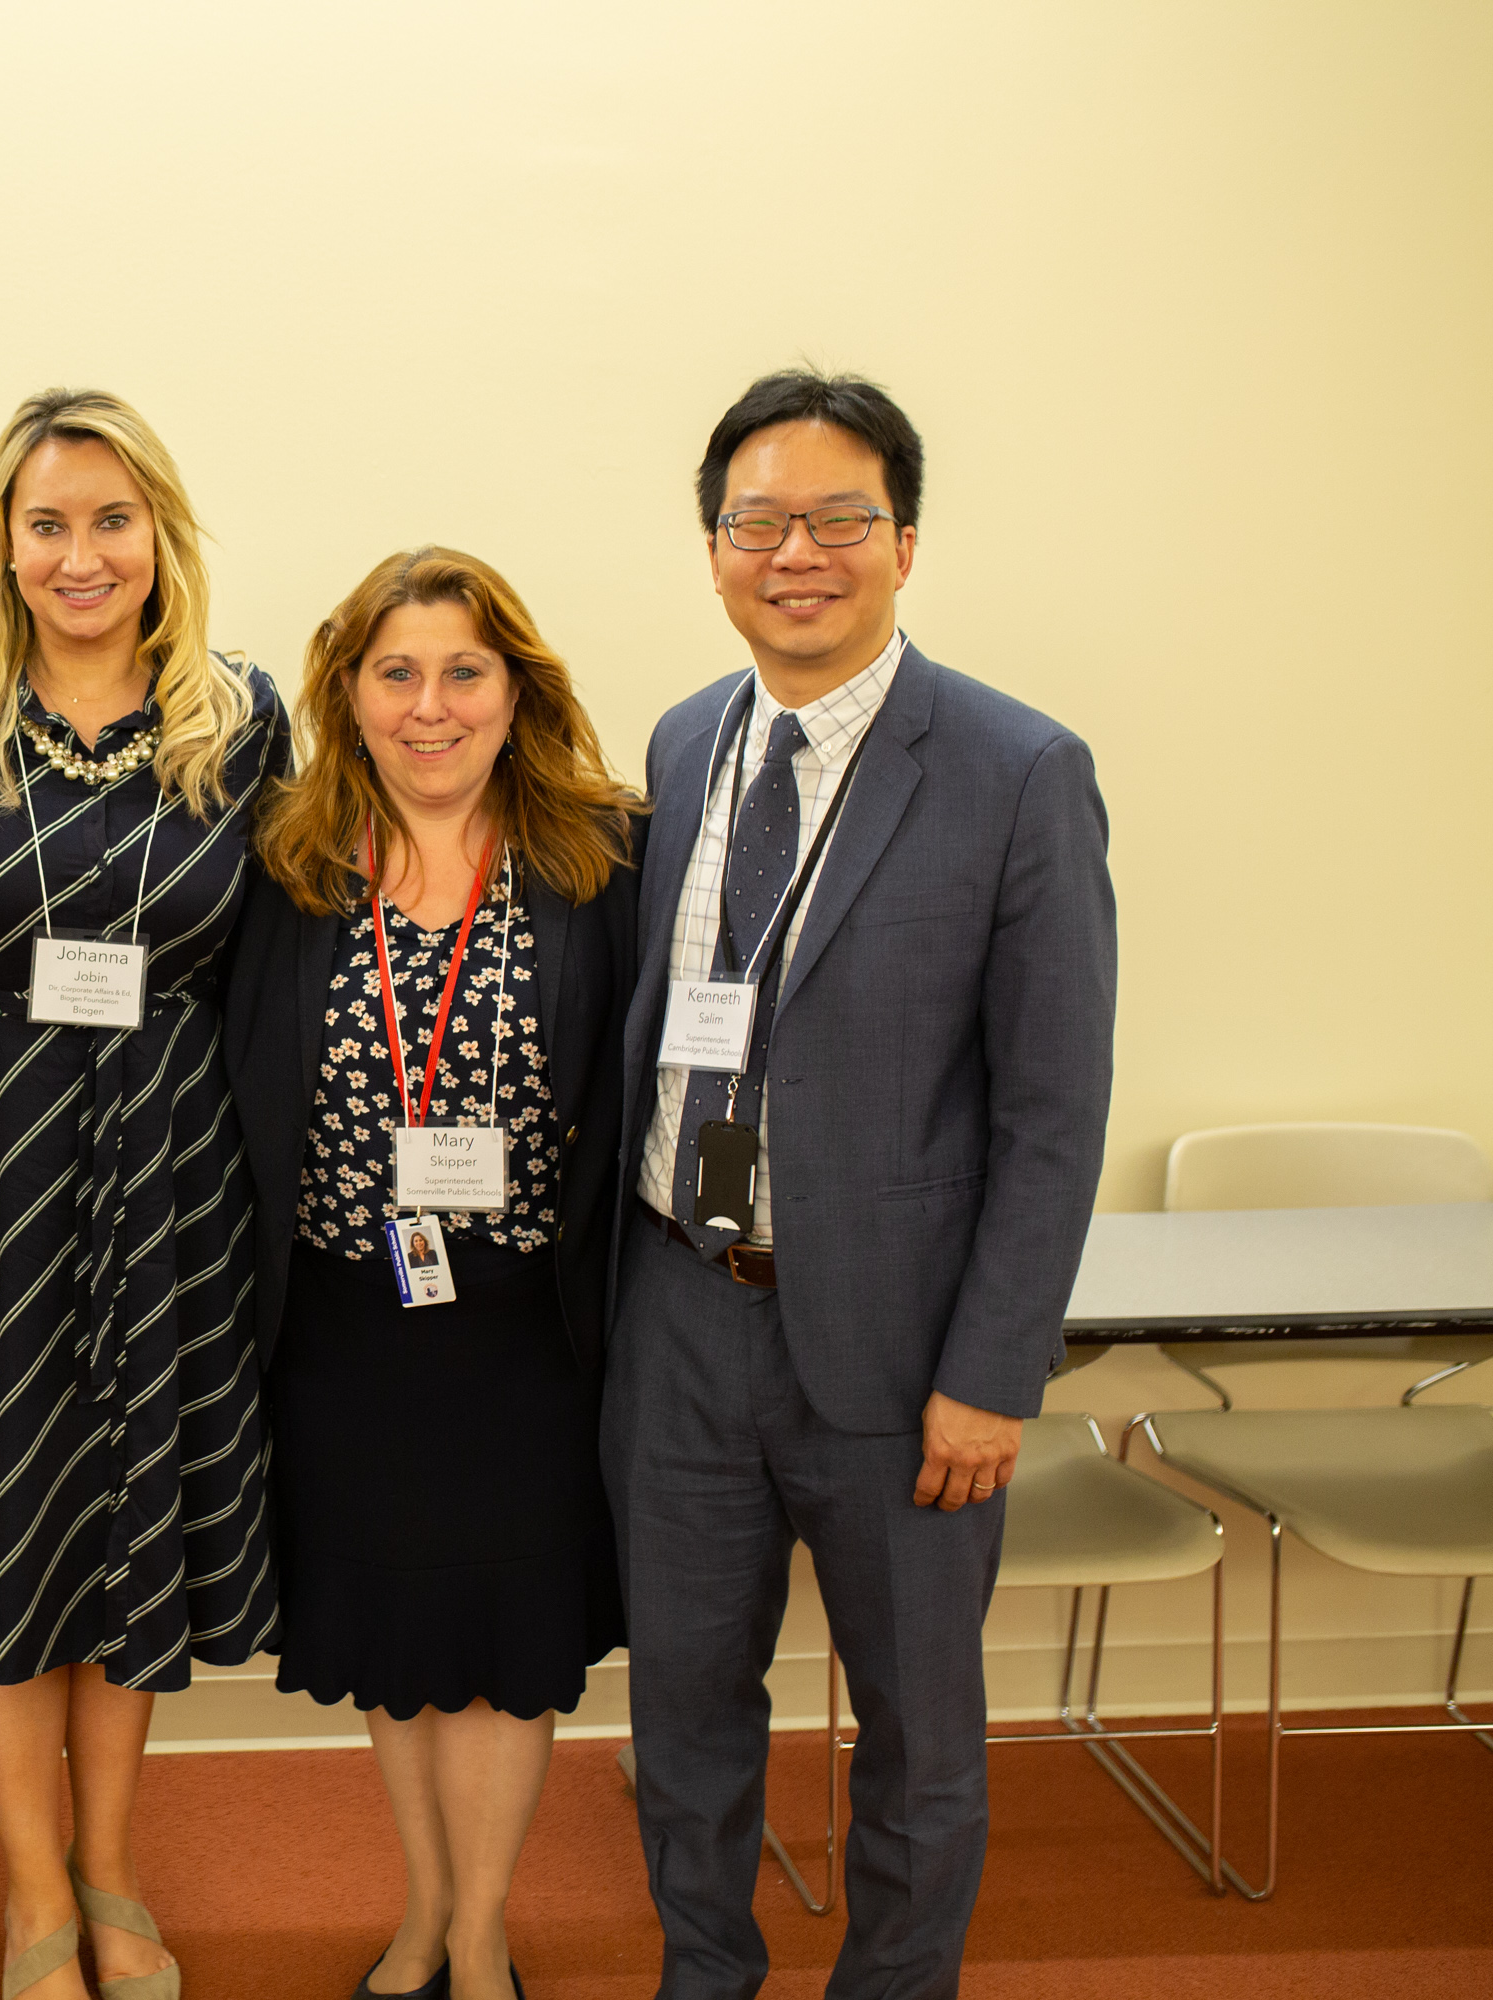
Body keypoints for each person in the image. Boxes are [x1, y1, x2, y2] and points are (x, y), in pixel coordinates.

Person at [605, 371, 1116, 1996]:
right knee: (684, 1710)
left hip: (902, 1361)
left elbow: (1055, 1107)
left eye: (839, 520)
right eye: (760, 522)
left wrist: (991, 1372)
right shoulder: (686, 742)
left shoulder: (1016, 768)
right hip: (682, 1314)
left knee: (917, 1728)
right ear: (713, 549)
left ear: (905, 542)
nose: (796, 553)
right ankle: (707, 1972)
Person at [0, 388, 285, 2000]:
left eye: (112, 519)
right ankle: (32, 1896)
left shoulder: (242, 718)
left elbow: (274, 948)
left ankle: (111, 1871)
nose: (81, 553)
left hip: (171, 1165)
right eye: (49, 524)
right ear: (5, 543)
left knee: (125, 1519)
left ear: (160, 533)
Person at [226, 547, 638, 2000]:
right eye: (395, 672)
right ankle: (424, 1912)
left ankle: (482, 1932)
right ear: (349, 693)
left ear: (516, 691)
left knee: (508, 1644)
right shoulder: (287, 865)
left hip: (526, 1329)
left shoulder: (601, 858)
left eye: (464, 671)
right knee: (396, 1642)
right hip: (347, 1322)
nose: (430, 705)